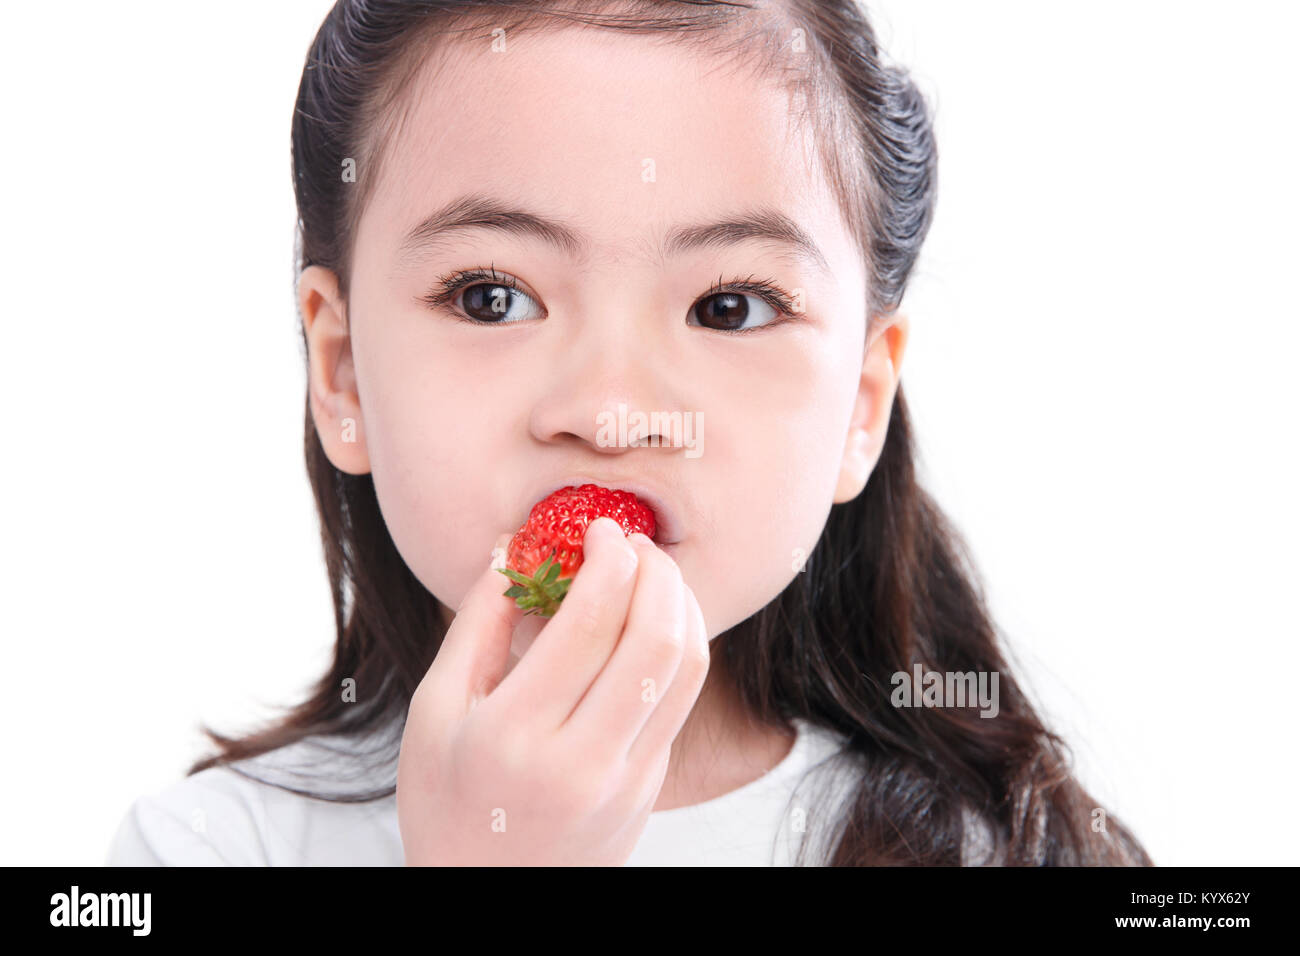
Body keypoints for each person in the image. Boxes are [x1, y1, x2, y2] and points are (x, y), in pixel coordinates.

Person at [107, 0, 1151, 866]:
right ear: (340, 372)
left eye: (728, 306)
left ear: (860, 405)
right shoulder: (207, 846)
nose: (611, 413)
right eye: (489, 296)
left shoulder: (999, 849)